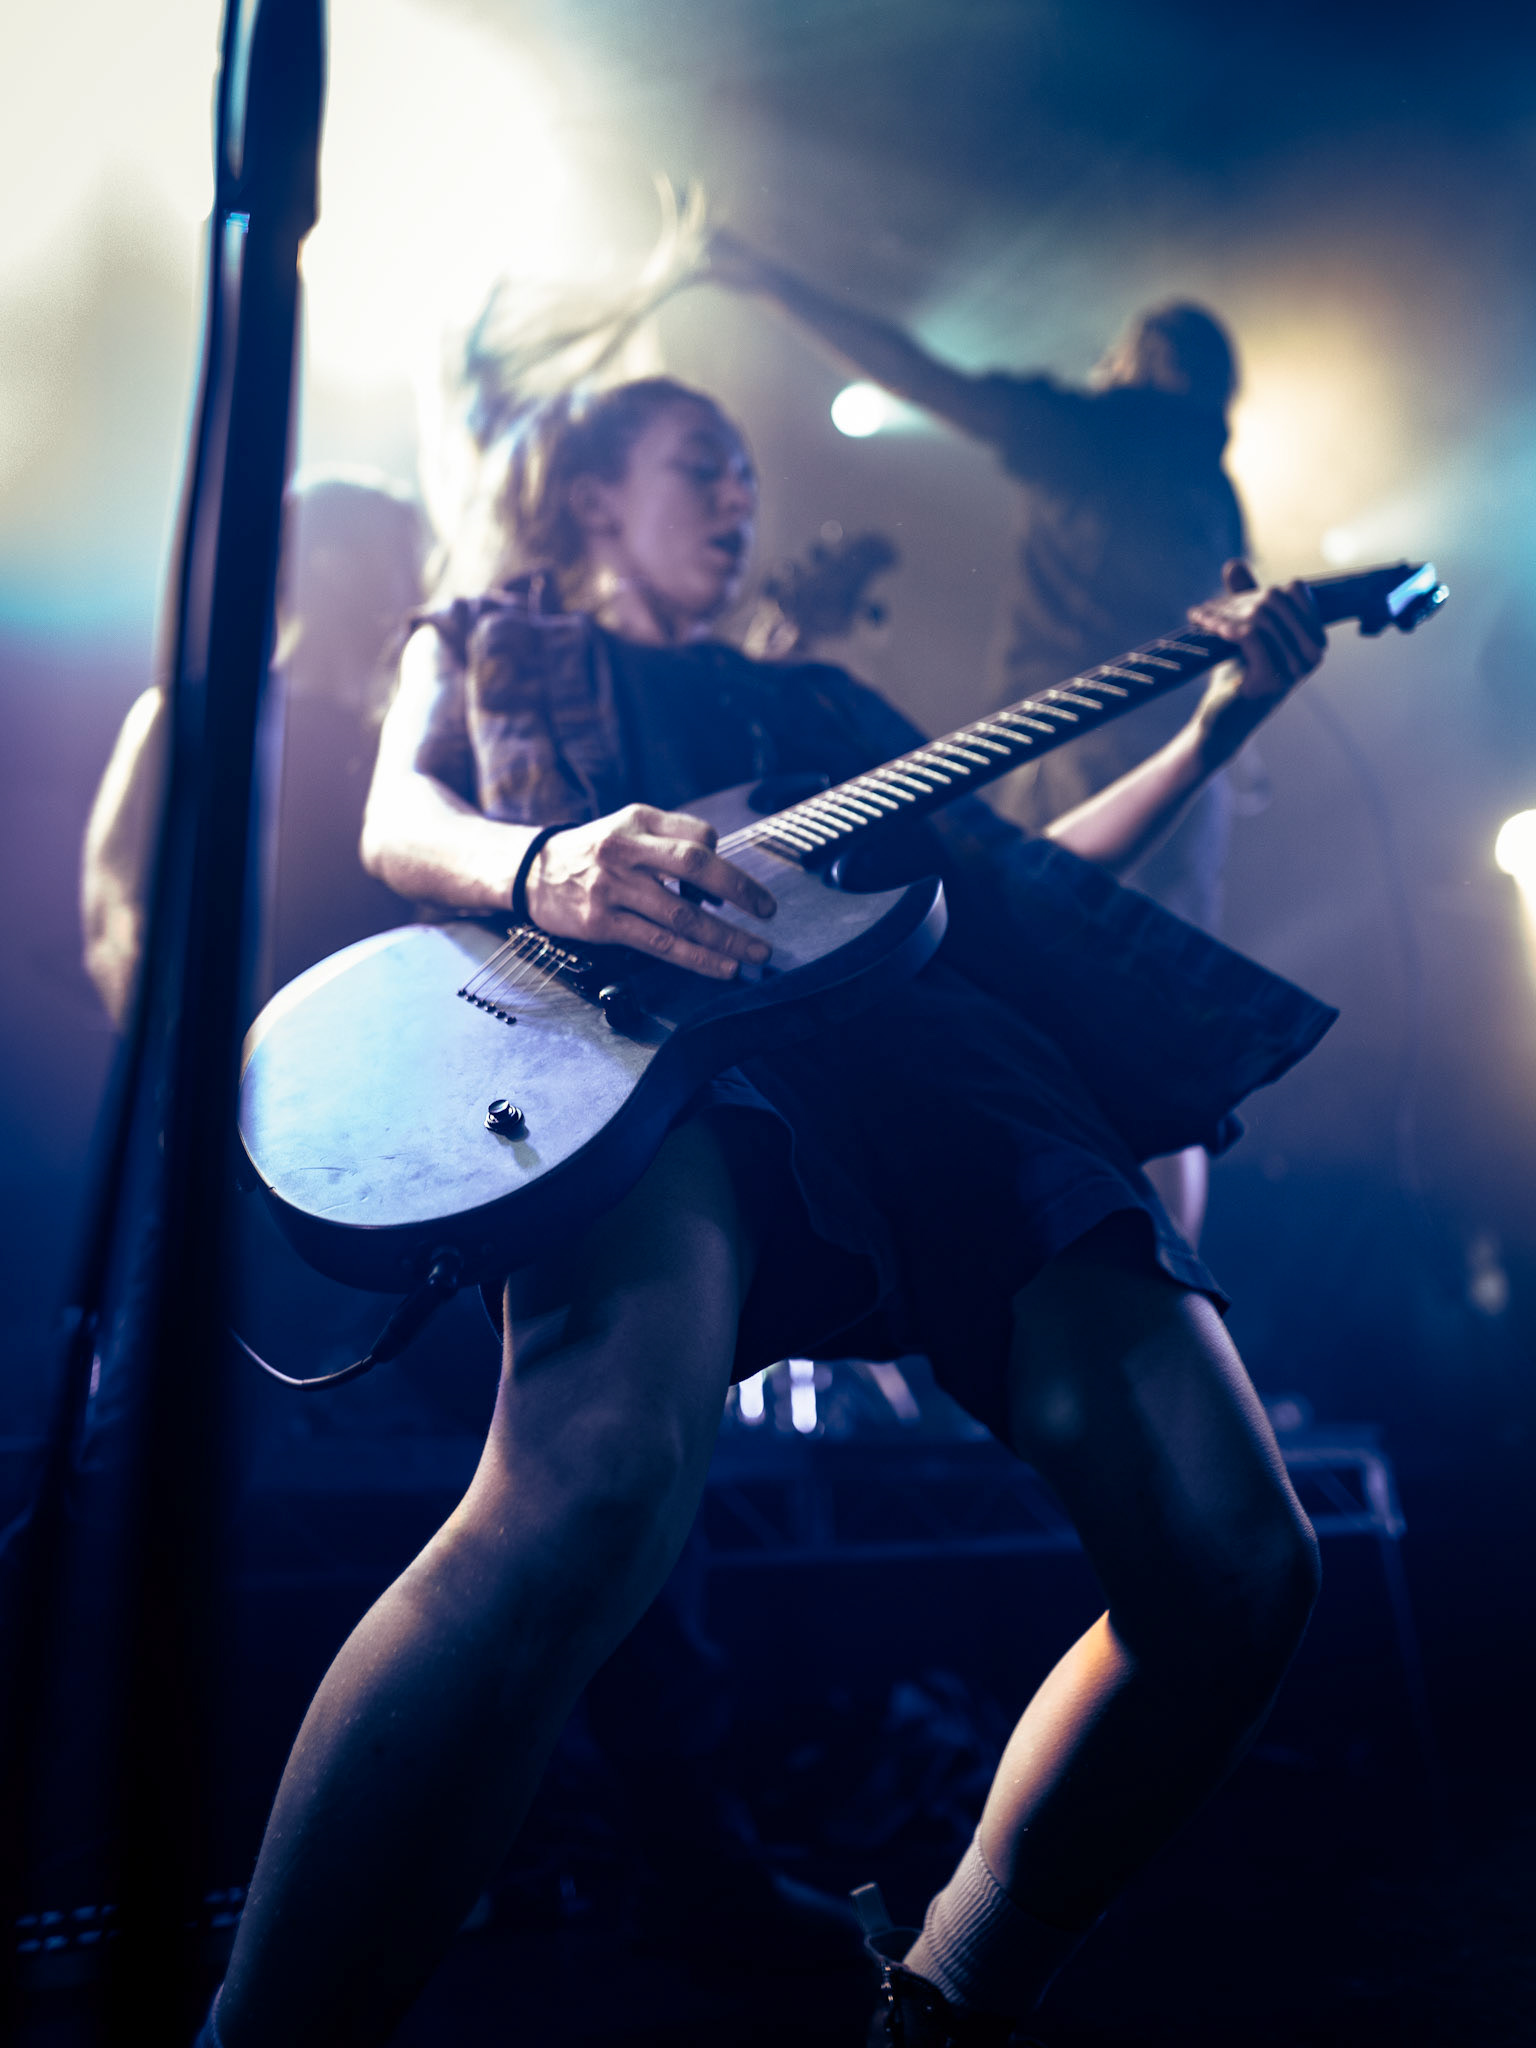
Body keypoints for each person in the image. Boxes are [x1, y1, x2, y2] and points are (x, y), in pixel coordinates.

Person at [205, 374, 1329, 2048]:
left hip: (946, 1069)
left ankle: (939, 2003)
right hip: (652, 1054)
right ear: (593, 491)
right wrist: (540, 864)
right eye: (699, 465)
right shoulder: (494, 641)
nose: (739, 496)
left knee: (1238, 1558)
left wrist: (1211, 732)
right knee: (587, 1493)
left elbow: (1030, 880)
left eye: (747, 470)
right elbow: (398, 819)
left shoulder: (818, 698)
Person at [703, 235, 1257, 1240]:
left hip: (1079, 754)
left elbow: (925, 377)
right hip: (1194, 777)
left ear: (1158, 363)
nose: (1105, 365)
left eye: (1123, 352)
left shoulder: (1104, 433)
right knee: (1153, 1021)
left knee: (1049, 996)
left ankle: (1092, 1268)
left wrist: (776, 283)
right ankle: (1177, 1274)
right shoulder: (1217, 491)